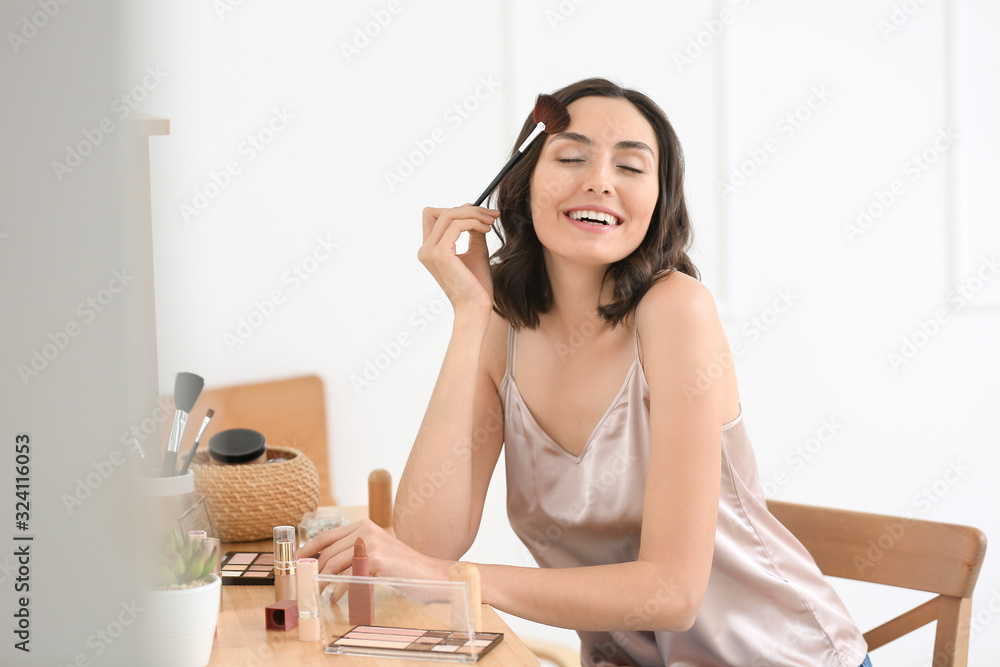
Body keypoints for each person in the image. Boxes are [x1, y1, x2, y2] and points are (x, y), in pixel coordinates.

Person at [298, 77, 871, 667]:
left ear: (658, 201)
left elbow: (671, 595)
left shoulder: (676, 311)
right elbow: (424, 545)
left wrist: (453, 577)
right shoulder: (502, 327)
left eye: (631, 167)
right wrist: (470, 313)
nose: (600, 179)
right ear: (522, 188)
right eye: (572, 157)